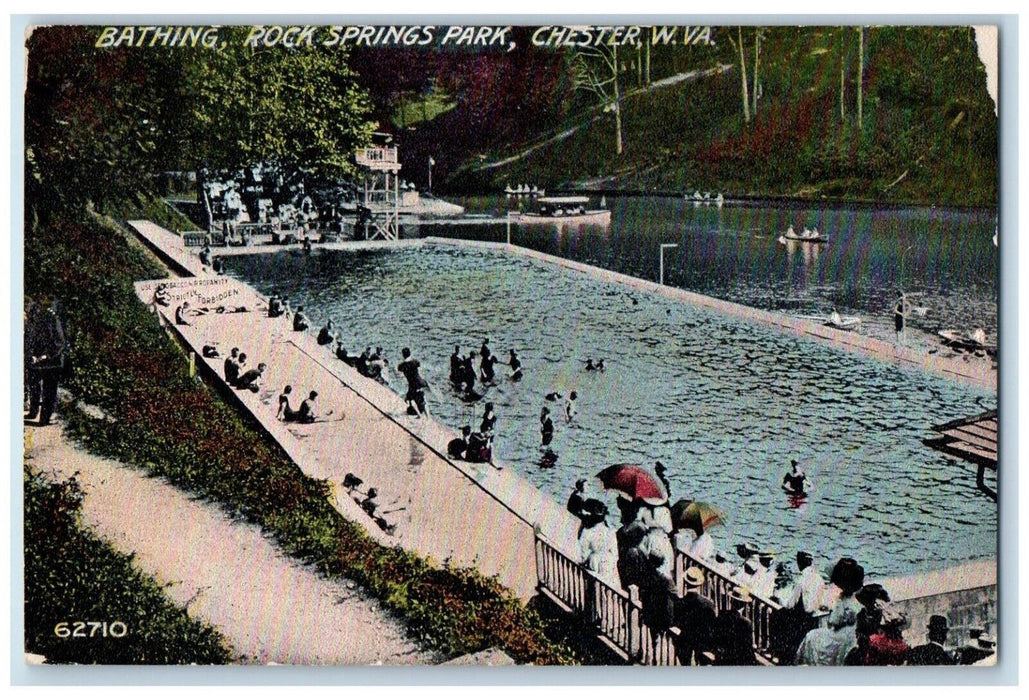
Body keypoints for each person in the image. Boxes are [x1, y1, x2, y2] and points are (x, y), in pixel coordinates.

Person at [25, 301, 67, 426]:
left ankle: (44, 418)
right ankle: (39, 415)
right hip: (41, 361)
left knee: (49, 391)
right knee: (39, 387)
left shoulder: (51, 319)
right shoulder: (39, 322)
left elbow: (59, 343)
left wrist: (45, 356)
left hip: (52, 361)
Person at [674, 566, 717, 666]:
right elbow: (712, 626)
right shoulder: (708, 604)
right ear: (699, 584)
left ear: (685, 583)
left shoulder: (680, 603)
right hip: (703, 643)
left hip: (685, 642)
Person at [713, 586, 758, 665]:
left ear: (731, 601)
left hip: (722, 658)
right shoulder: (746, 623)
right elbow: (747, 648)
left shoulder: (721, 616)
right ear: (745, 605)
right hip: (738, 660)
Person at [397, 347, 429, 417]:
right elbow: (419, 367)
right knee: (423, 400)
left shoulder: (402, 365)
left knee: (409, 400)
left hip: (412, 384)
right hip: (420, 382)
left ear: (403, 355)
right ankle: (428, 417)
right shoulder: (415, 362)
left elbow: (399, 370)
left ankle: (419, 415)